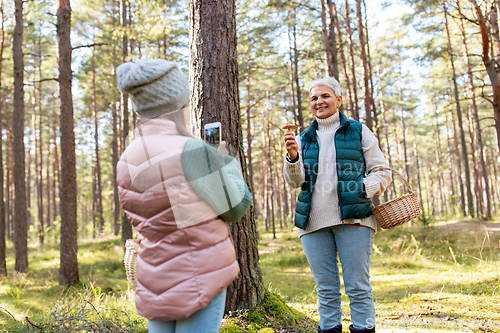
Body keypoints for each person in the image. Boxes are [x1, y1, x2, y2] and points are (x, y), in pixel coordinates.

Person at [116, 59, 252, 333]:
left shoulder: (128, 157)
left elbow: (163, 216)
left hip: (154, 277)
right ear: (178, 102)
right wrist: (223, 160)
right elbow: (237, 206)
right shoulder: (191, 151)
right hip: (198, 277)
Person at [283, 77, 392, 333]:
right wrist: (292, 157)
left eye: (325, 96)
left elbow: (382, 170)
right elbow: (294, 181)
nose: (319, 102)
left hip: (354, 219)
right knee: (326, 290)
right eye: (313, 98)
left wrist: (363, 189)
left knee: (358, 286)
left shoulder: (358, 130)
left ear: (338, 100)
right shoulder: (301, 138)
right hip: (312, 223)